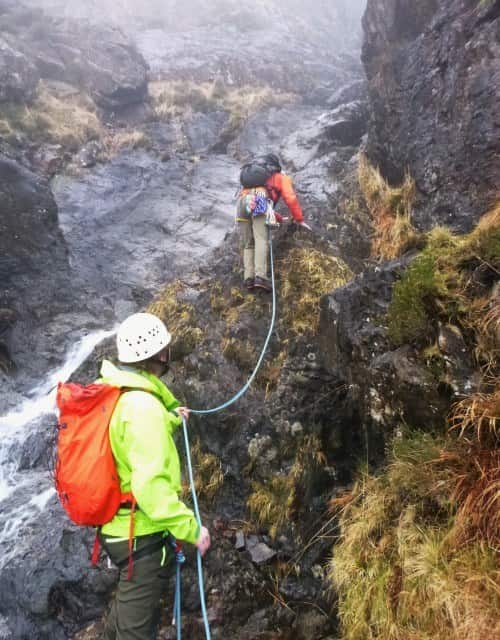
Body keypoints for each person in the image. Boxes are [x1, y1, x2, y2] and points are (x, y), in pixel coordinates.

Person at [98, 312, 211, 640]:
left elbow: (128, 436)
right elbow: (151, 489)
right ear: (161, 355)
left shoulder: (116, 390)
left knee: (122, 615)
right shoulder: (143, 408)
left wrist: (171, 419)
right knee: (135, 632)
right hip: (139, 537)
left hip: (114, 526)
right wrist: (193, 530)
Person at [236, 153, 311, 292]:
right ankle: (260, 278)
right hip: (258, 199)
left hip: (242, 203)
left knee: (248, 244)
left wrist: (280, 218)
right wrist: (299, 219)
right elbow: (290, 198)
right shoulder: (281, 177)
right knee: (261, 240)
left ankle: (249, 279)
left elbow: (266, 208)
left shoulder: (252, 180)